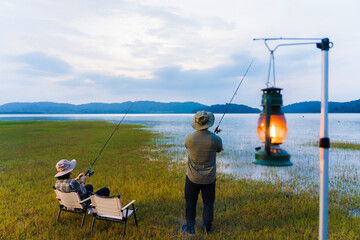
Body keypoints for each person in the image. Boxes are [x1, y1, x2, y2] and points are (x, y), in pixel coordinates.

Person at [181, 111, 223, 236]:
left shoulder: (189, 138)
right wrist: (212, 137)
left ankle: (190, 228)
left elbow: (189, 146)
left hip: (192, 178)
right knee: (208, 203)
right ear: (208, 123)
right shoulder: (216, 139)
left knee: (190, 203)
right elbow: (219, 149)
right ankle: (207, 228)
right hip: (209, 179)